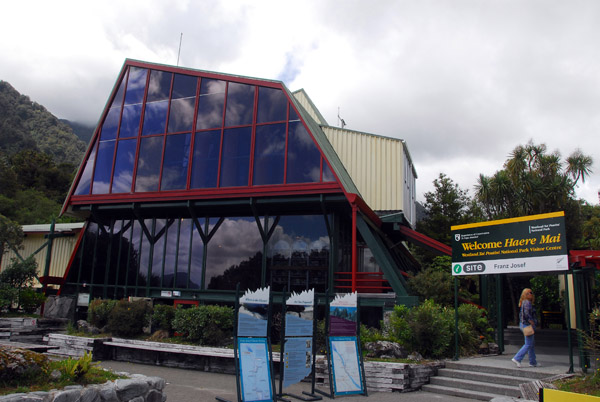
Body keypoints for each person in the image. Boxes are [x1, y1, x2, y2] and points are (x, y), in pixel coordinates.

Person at [512, 288, 539, 368]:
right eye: (529, 293)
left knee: (531, 344)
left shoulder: (524, 302)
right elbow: (527, 314)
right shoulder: (527, 303)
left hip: (524, 324)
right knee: (528, 344)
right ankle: (517, 358)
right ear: (525, 295)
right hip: (527, 325)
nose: (531, 294)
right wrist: (532, 321)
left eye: (531, 292)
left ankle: (533, 361)